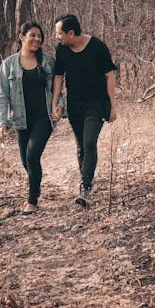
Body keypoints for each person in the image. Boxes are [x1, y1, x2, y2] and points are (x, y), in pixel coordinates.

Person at [52, 14, 117, 208]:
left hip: (96, 103)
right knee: (81, 145)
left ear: (71, 33)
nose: (57, 37)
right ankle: (88, 181)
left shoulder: (97, 47)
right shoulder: (62, 50)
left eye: (59, 33)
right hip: (75, 105)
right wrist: (55, 102)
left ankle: (85, 187)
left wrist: (112, 106)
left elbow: (109, 76)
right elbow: (58, 77)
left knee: (89, 142)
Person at [0, 21, 58, 215]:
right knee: (26, 161)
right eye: (32, 35)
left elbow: (56, 86)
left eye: (39, 36)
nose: (37, 39)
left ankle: (32, 201)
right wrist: (1, 123)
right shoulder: (9, 64)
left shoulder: (47, 61)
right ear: (22, 37)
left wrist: (59, 105)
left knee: (32, 156)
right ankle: (36, 187)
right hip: (21, 120)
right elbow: (2, 95)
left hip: (44, 118)